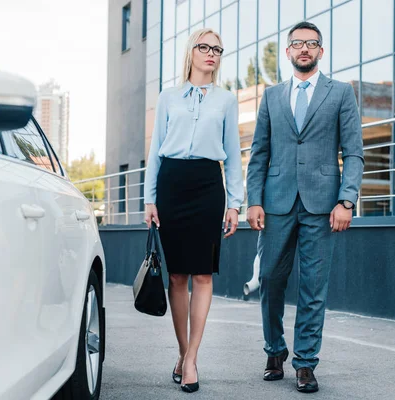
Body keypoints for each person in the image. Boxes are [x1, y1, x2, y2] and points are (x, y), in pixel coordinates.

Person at [246, 21, 364, 393]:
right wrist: (254, 200)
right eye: (297, 43)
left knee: (314, 288)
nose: (304, 49)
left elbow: (355, 153)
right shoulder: (271, 96)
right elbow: (259, 154)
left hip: (323, 206)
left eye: (311, 44)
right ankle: (274, 350)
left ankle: (306, 363)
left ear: (321, 51)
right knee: (269, 281)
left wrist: (347, 200)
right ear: (287, 51)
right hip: (277, 204)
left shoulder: (341, 93)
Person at [143, 28, 243, 394]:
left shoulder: (226, 101)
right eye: (204, 47)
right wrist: (150, 198)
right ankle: (184, 353)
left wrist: (235, 204)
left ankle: (192, 360)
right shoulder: (168, 97)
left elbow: (232, 154)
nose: (211, 53)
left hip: (207, 184)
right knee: (176, 277)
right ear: (192, 52)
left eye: (217, 48)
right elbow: (155, 151)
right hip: (172, 183)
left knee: (202, 275)